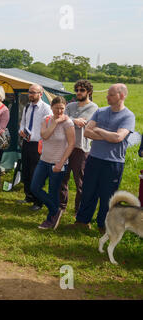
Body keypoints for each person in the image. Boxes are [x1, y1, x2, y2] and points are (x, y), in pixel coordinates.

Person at [67, 84, 135, 234]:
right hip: (94, 158)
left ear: (121, 96)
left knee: (108, 196)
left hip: (113, 162)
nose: (107, 97)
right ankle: (82, 221)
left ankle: (103, 225)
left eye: (111, 94)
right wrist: (107, 135)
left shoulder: (128, 116)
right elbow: (87, 133)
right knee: (88, 191)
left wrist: (98, 130)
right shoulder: (100, 111)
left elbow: (118, 137)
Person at [30, 96, 75, 230]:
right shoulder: (47, 119)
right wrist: (55, 123)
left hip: (58, 163)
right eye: (57, 108)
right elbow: (44, 136)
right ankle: (56, 211)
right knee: (35, 188)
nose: (60, 111)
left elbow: (71, 144)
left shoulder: (68, 123)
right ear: (51, 108)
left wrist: (60, 164)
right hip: (44, 160)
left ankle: (50, 219)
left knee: (53, 192)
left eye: (62, 108)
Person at [59, 80, 98, 215]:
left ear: (89, 92)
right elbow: (62, 117)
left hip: (81, 148)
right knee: (62, 177)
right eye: (77, 90)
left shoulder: (93, 107)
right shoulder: (71, 105)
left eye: (82, 90)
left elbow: (83, 122)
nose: (79, 93)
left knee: (80, 181)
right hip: (65, 146)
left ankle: (79, 210)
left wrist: (70, 119)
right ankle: (61, 206)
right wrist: (73, 120)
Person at [17, 84, 52, 211]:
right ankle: (29, 196)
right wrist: (21, 131)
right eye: (29, 92)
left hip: (39, 144)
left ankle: (38, 201)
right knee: (26, 170)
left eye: (33, 92)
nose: (30, 95)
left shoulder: (46, 108)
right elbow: (23, 122)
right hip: (26, 143)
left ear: (40, 94)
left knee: (36, 173)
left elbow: (49, 127)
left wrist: (37, 137)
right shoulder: (27, 107)